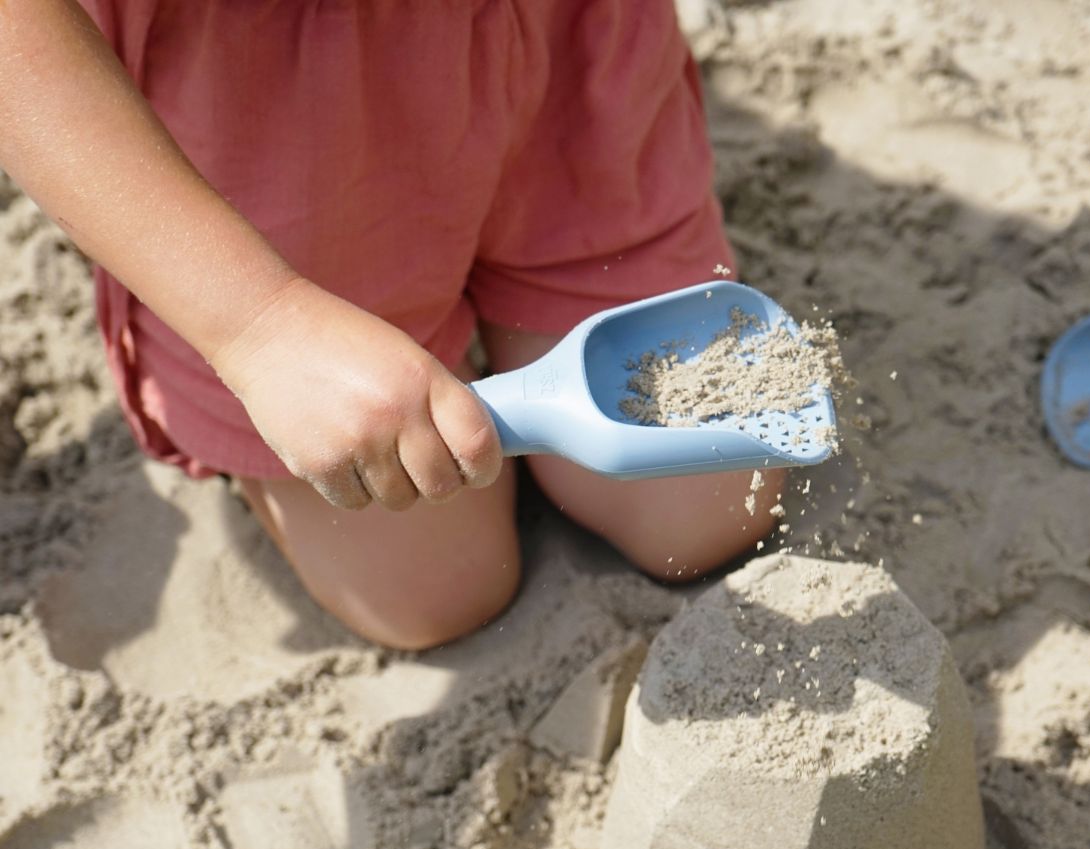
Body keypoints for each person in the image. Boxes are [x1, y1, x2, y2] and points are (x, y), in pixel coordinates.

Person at [0, 0, 782, 649]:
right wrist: (260, 326)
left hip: (557, 61)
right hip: (266, 119)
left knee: (710, 504)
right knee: (434, 595)